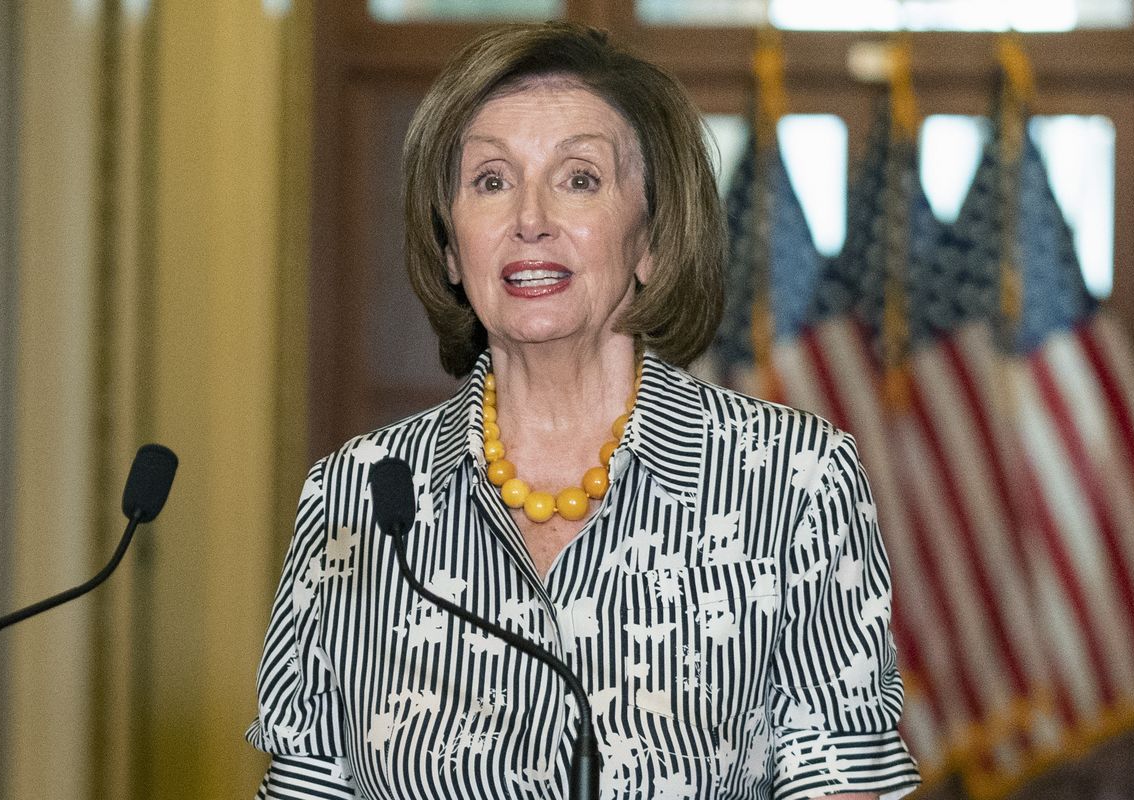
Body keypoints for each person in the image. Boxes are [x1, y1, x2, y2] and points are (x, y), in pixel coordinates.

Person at [247, 21, 919, 800]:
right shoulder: (356, 498)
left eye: (579, 179)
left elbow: (838, 781)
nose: (529, 219)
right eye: (491, 181)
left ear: (652, 241)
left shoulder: (790, 482)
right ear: (450, 250)